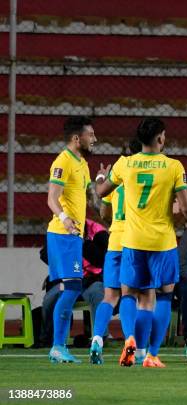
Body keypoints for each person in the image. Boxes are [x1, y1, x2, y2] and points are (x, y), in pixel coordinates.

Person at [95, 117, 187, 368]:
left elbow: (100, 193)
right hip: (162, 243)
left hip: (131, 241)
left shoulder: (125, 164)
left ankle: (131, 340)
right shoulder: (173, 167)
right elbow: (186, 208)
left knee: (130, 293)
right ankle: (150, 353)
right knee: (163, 295)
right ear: (161, 138)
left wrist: (100, 178)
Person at [46, 116, 97, 363]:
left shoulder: (82, 163)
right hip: (62, 234)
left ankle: (58, 346)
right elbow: (52, 199)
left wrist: (100, 180)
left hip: (73, 236)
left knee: (71, 288)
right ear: (77, 138)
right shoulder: (62, 162)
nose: (94, 139)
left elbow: (87, 194)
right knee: (72, 288)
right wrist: (65, 218)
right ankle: (57, 345)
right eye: (90, 135)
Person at [89, 138, 142, 364]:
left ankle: (97, 340)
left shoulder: (117, 176)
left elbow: (103, 212)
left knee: (109, 296)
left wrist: (101, 177)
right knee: (130, 294)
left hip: (114, 242)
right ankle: (130, 340)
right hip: (134, 241)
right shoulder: (143, 175)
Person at [41, 218, 108, 347]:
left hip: (91, 280)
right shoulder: (59, 229)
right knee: (51, 297)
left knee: (98, 293)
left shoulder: (98, 231)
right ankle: (47, 338)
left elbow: (102, 260)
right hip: (67, 279)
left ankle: (100, 337)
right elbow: (44, 254)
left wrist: (83, 243)